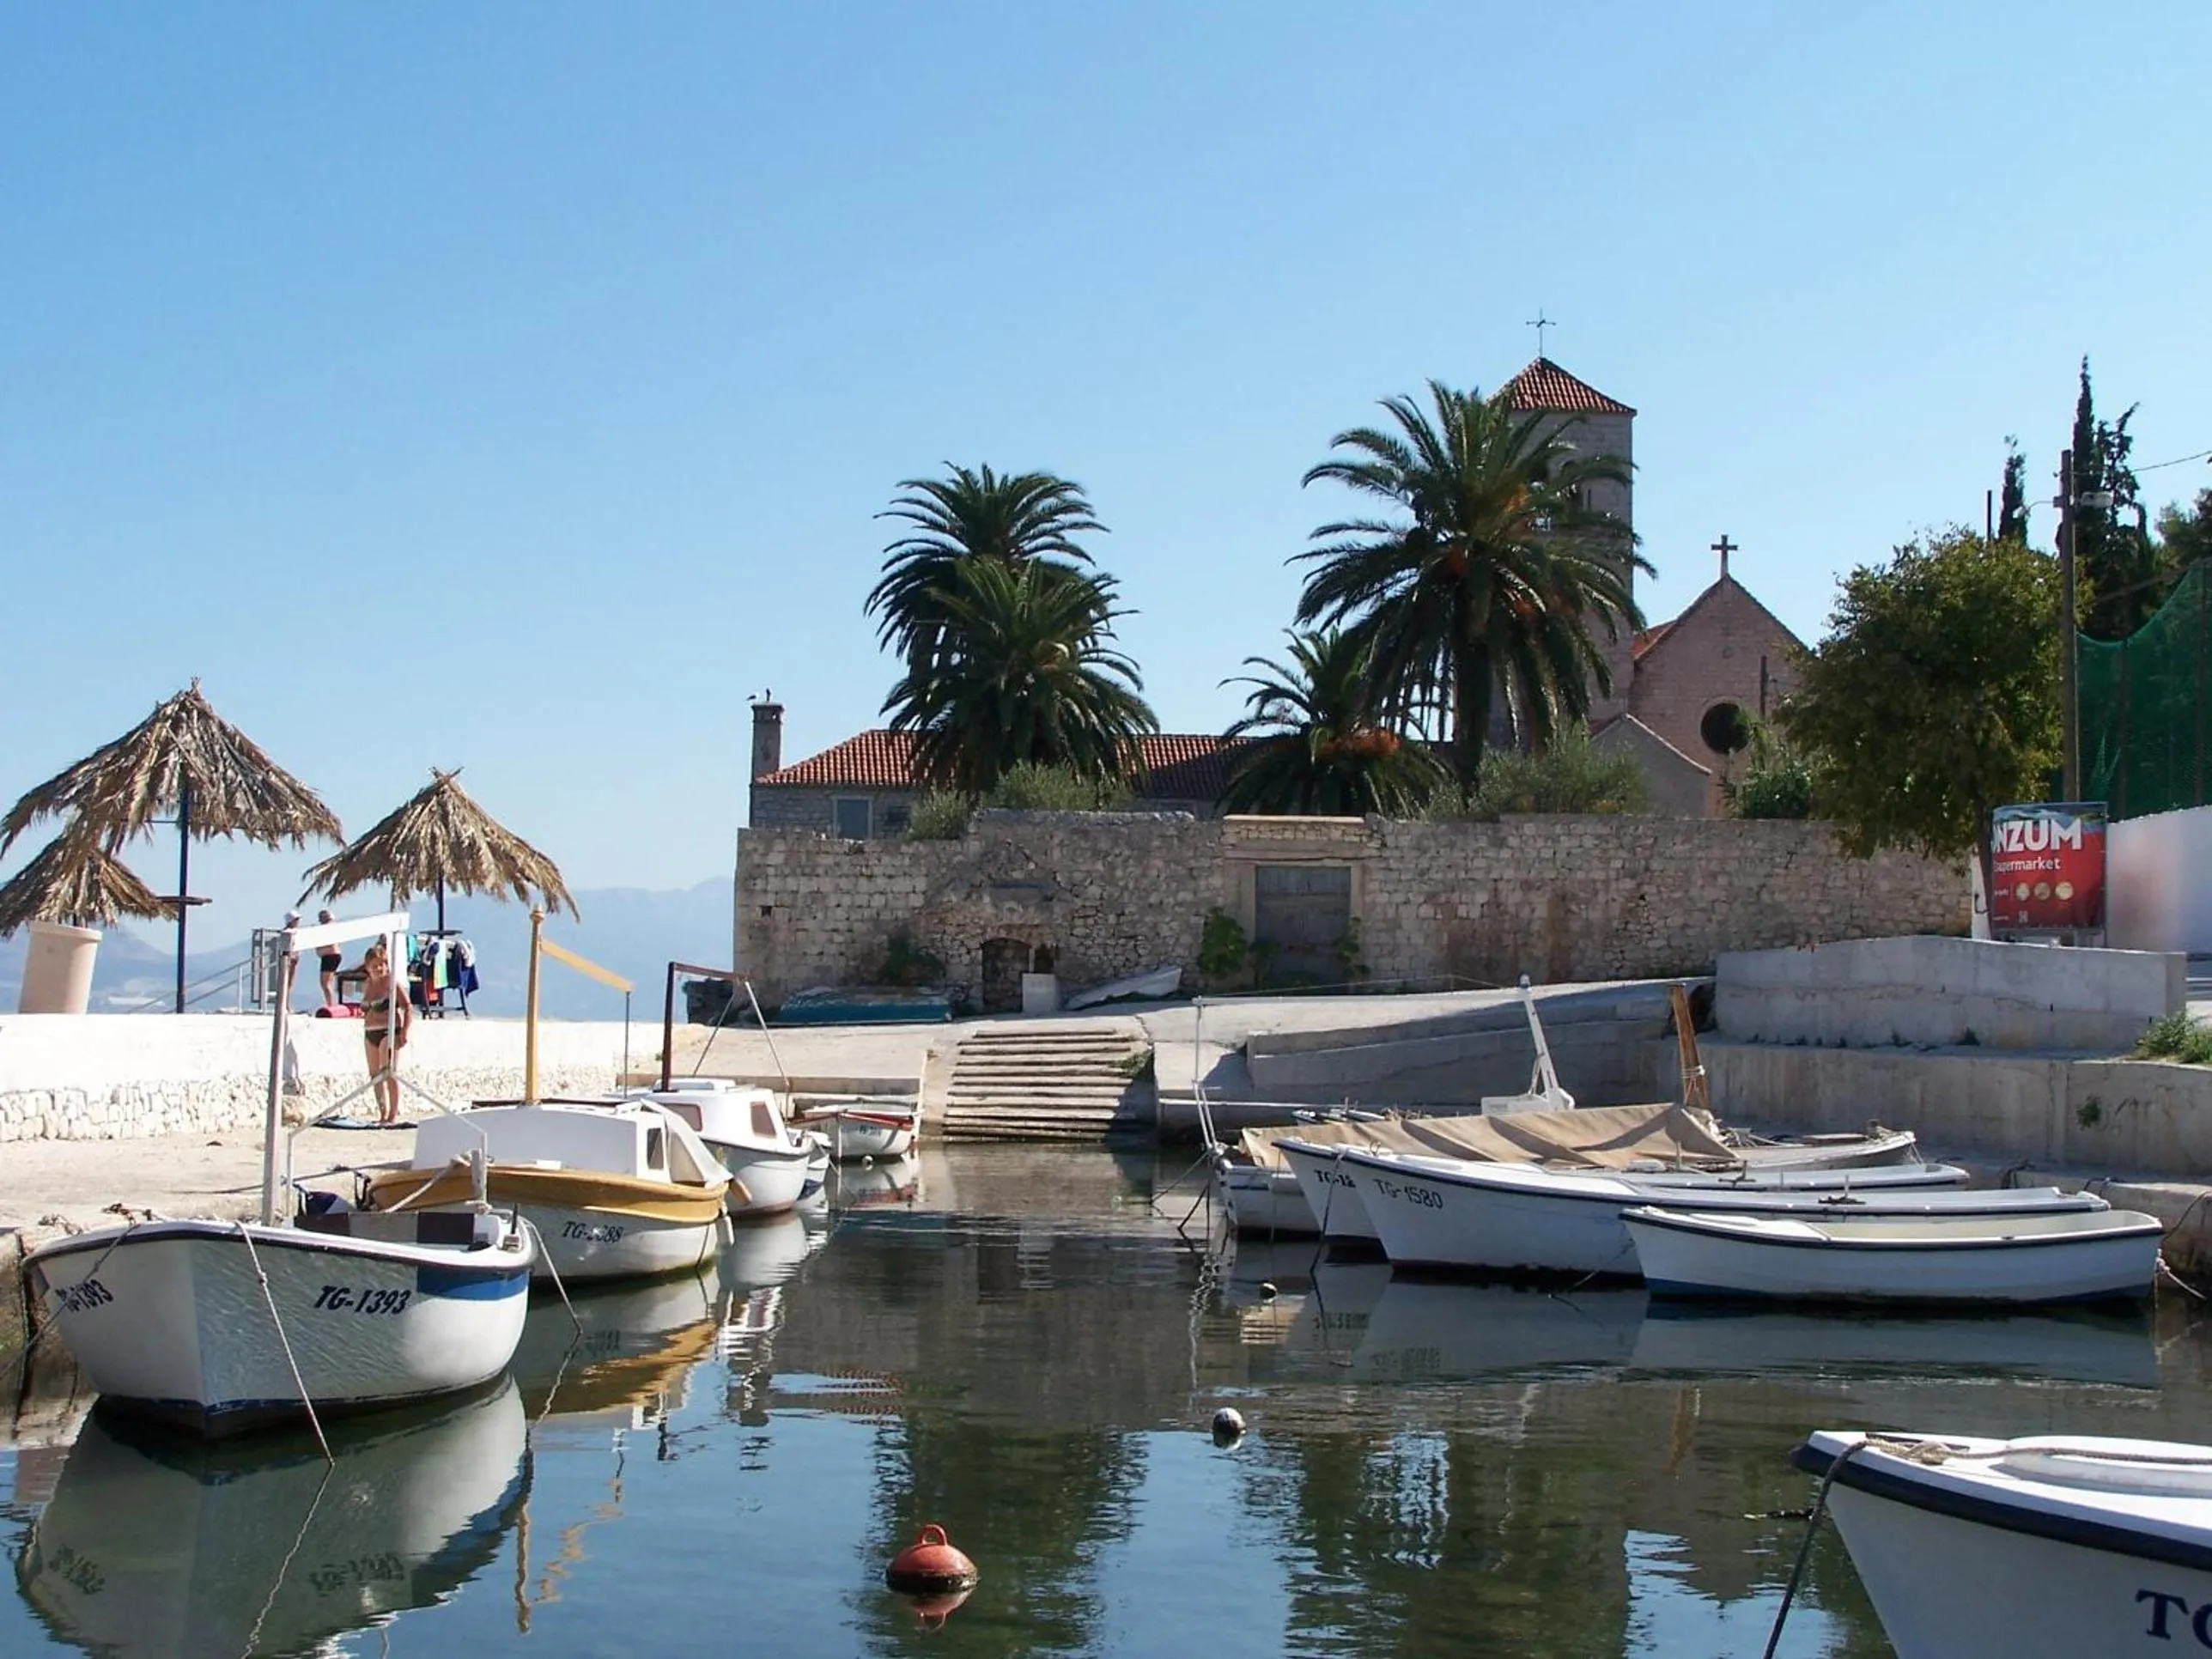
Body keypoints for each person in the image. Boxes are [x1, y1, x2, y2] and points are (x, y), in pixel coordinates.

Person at [358, 938, 412, 1126]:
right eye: (375, 966)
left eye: (382, 965)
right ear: (368, 967)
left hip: (388, 1031)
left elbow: (407, 1006)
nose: (379, 969)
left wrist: (404, 1031)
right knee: (375, 1075)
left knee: (388, 1071)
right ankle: (382, 1113)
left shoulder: (391, 983)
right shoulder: (367, 985)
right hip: (370, 1031)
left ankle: (393, 1114)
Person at [315, 909, 343, 1010]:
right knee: (327, 983)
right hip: (330, 956)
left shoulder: (329, 928)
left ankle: (331, 1005)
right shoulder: (332, 928)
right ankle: (331, 1004)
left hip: (330, 956)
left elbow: (331, 945)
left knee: (325, 983)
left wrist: (320, 950)